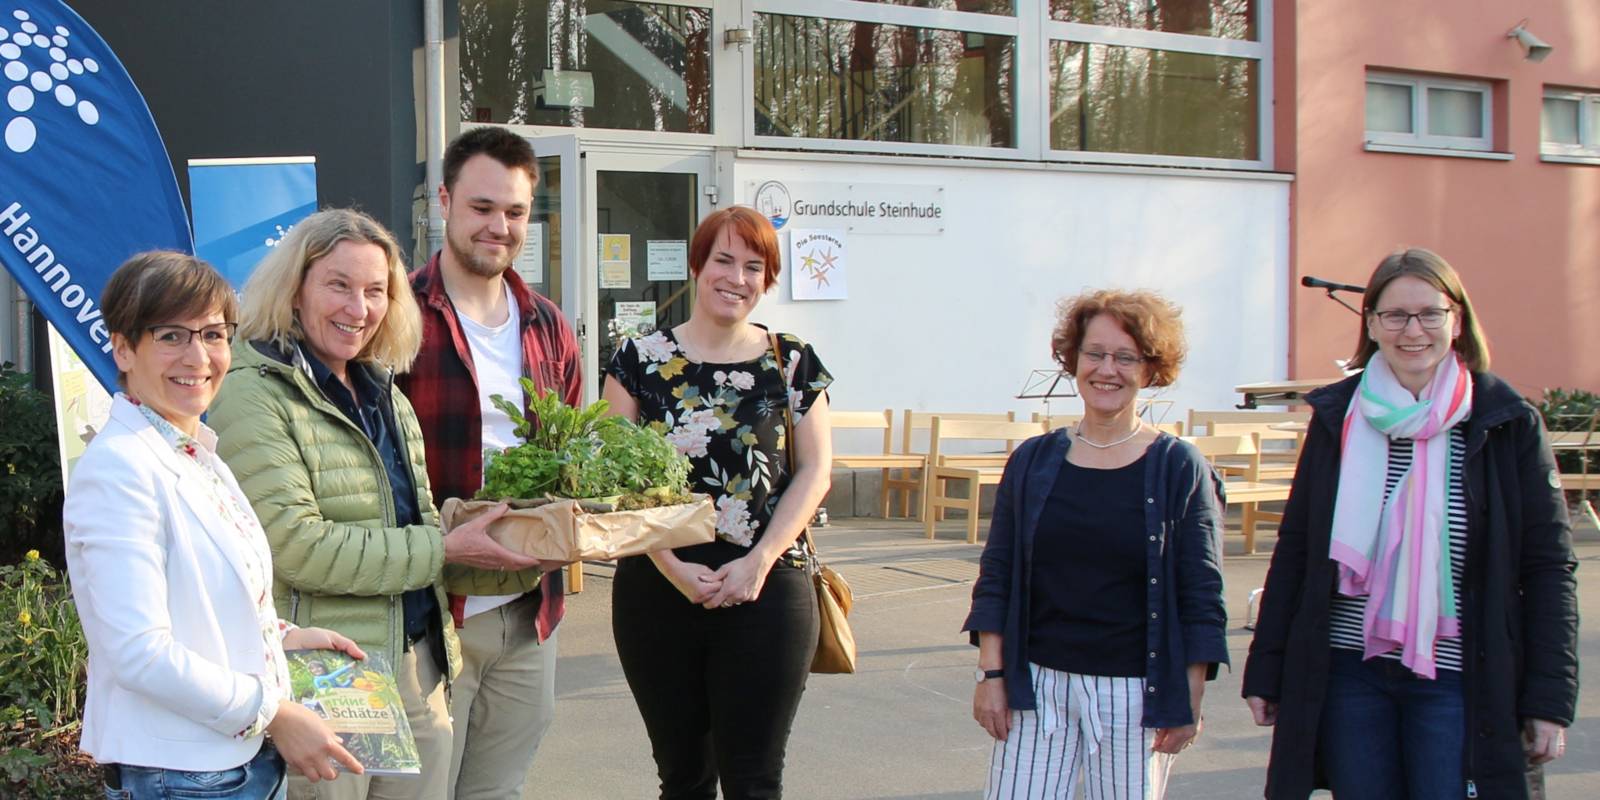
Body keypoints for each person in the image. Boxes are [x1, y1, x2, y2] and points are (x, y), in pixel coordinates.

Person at [209, 209, 539, 800]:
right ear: (296, 288)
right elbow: (296, 547)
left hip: (415, 663)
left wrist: (497, 535)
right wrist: (445, 546)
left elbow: (411, 522)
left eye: (375, 291)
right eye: (338, 285)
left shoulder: (381, 388)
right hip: (327, 675)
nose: (358, 310)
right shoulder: (252, 390)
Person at [1242, 248, 1579, 800]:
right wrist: (1268, 669)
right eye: (1394, 315)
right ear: (1371, 324)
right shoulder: (1337, 418)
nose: (1412, 330)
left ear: (1458, 319)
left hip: (1459, 677)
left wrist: (1548, 699)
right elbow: (1298, 550)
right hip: (1350, 672)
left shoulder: (1505, 420)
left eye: (1429, 313)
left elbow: (1548, 569)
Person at [64, 251, 365, 799]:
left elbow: (204, 605)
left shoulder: (191, 449)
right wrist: (272, 714)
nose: (199, 356)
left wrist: (286, 638)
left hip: (232, 763)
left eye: (214, 334)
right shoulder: (119, 469)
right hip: (182, 775)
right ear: (124, 346)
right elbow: (140, 651)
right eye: (172, 336)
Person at [602, 205, 834, 799]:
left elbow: (815, 472)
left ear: (768, 278)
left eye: (754, 266)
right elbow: (609, 483)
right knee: (683, 779)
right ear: (697, 265)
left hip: (770, 586)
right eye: (724, 260)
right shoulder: (638, 360)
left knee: (755, 779)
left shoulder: (791, 360)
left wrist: (758, 563)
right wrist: (672, 566)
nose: (737, 277)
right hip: (658, 587)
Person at [962, 289, 1228, 800]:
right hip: (1036, 686)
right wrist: (990, 672)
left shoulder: (1178, 466)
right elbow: (997, 573)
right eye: (1096, 354)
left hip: (1135, 692)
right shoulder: (1033, 461)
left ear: (1150, 369)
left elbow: (1201, 590)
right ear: (1073, 361)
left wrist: (1189, 692)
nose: (1108, 369)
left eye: (1126, 357)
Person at [397, 127, 581, 799]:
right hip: (429, 609)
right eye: (481, 208)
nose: (498, 226)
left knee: (496, 792)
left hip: (530, 613)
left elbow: (565, 465)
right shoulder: (397, 316)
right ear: (444, 201)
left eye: (515, 212)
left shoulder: (549, 326)